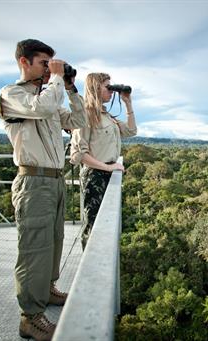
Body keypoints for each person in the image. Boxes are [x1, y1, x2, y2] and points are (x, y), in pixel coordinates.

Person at [0, 39, 88, 341]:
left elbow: (79, 120)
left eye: (52, 64)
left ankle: (46, 289)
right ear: (24, 61)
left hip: (55, 179)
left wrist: (72, 89)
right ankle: (30, 317)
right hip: (33, 181)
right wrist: (58, 79)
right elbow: (43, 107)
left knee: (54, 241)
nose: (49, 70)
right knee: (34, 249)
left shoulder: (50, 97)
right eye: (43, 64)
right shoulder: (12, 94)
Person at [70, 72, 137, 250]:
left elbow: (131, 131)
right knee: (93, 226)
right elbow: (78, 154)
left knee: (105, 225)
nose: (112, 91)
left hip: (107, 173)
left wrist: (128, 103)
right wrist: (107, 168)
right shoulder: (85, 114)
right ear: (95, 88)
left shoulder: (106, 116)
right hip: (95, 176)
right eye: (108, 87)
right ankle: (89, 267)